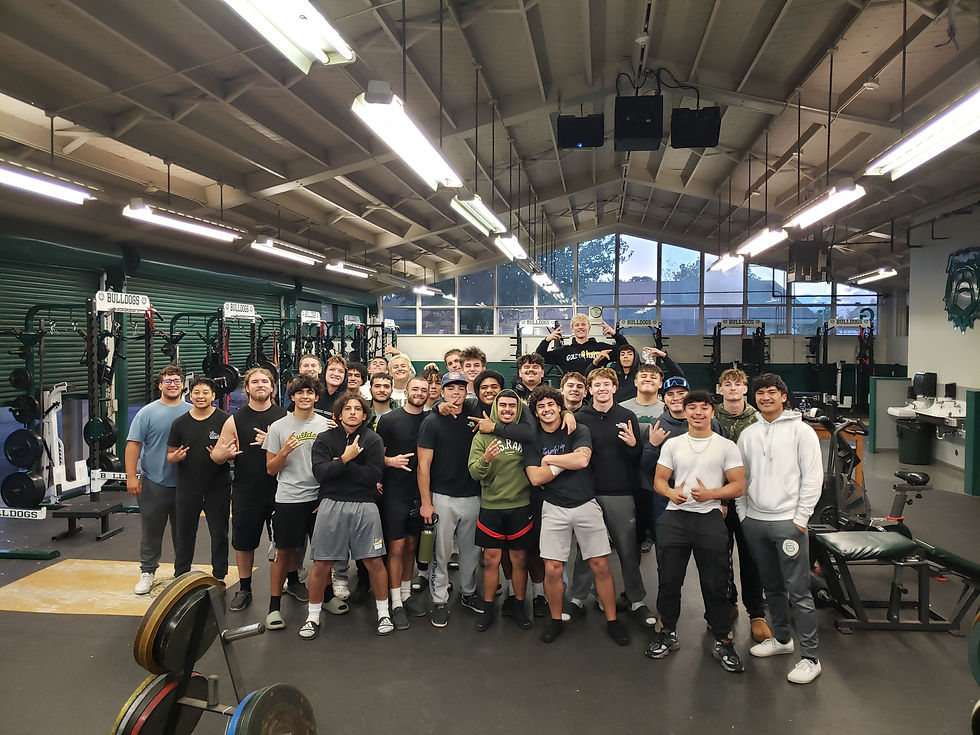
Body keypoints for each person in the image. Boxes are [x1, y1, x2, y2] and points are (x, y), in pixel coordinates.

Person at [647, 390, 746, 674]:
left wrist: (711, 494)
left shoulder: (726, 446)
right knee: (668, 580)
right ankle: (667, 632)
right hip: (675, 520)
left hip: (709, 520)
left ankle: (724, 640)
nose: (698, 413)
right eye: (693, 408)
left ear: (712, 413)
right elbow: (659, 480)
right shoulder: (673, 444)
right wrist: (670, 493)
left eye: (704, 408)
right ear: (686, 411)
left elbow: (738, 485)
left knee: (716, 583)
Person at [523, 385, 629, 647]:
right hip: (553, 507)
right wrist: (561, 462)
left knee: (601, 566)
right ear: (535, 413)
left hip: (585, 504)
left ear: (560, 407)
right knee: (553, 569)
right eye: (541, 407)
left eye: (551, 405)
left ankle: (612, 621)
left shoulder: (578, 429)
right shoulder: (533, 438)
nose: (547, 410)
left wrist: (549, 460)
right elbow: (535, 478)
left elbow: (583, 461)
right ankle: (556, 620)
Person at [737, 373, 824, 685]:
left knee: (799, 592)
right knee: (771, 586)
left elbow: (813, 478)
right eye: (760, 393)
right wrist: (743, 513)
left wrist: (801, 518)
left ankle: (810, 657)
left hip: (789, 521)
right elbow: (740, 478)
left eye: (772, 392)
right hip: (755, 521)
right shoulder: (748, 434)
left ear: (784, 397)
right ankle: (782, 640)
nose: (766, 398)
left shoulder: (802, 432)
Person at [567, 368, 655, 628]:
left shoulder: (626, 416)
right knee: (586, 550)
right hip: (589, 494)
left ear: (615, 388)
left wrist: (633, 446)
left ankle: (637, 600)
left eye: (607, 384)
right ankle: (577, 598)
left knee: (628, 550)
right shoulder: (579, 417)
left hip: (620, 493)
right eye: (597, 385)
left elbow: (637, 458)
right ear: (589, 390)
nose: (602, 388)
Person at [304, 392, 390, 638]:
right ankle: (312, 616)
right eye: (347, 408)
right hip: (331, 504)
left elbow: (372, 476)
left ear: (364, 415)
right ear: (338, 414)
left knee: (374, 561)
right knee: (322, 563)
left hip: (365, 506)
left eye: (357, 409)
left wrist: (342, 464)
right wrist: (345, 459)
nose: (352, 412)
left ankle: (383, 612)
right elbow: (321, 474)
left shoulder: (373, 440)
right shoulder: (324, 439)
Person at [262, 375, 338, 631]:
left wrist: (326, 495)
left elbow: (333, 466)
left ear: (317, 397)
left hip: (319, 498)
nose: (305, 396)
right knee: (284, 552)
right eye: (300, 392)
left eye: (310, 392)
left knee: (323, 553)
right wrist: (285, 451)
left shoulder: (328, 426)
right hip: (289, 499)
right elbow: (271, 470)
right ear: (292, 397)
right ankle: (274, 608)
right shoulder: (278, 427)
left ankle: (327, 597)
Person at [210, 367, 287, 611]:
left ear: (273, 387)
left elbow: (294, 453)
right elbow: (219, 456)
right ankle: (245, 588)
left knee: (286, 542)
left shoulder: (285, 417)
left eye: (265, 381)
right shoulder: (234, 420)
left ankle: (293, 581)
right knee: (244, 543)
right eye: (255, 381)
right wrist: (221, 454)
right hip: (247, 489)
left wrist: (273, 443)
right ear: (247, 388)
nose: (260, 385)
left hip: (281, 489)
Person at [417, 370, 483, 628]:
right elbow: (423, 466)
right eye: (450, 388)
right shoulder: (432, 421)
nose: (456, 392)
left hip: (473, 495)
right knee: (441, 553)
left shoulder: (474, 413)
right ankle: (440, 600)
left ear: (466, 391)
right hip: (442, 496)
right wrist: (426, 502)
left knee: (471, 552)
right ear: (442, 391)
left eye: (460, 388)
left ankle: (467, 593)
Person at [468, 390, 535, 632]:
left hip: (520, 506)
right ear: (496, 407)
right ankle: (488, 609)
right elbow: (474, 472)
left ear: (518, 410)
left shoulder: (525, 435)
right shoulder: (483, 436)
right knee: (490, 560)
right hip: (492, 506)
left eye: (512, 406)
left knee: (519, 560)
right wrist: (485, 459)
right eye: (503, 405)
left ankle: (519, 606)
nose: (507, 409)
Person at [714, 367, 770, 643]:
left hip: (751, 498)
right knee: (720, 555)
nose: (733, 388)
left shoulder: (758, 419)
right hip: (719, 498)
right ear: (720, 389)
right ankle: (728, 601)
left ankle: (756, 612)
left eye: (738, 384)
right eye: (728, 384)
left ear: (745, 389)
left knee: (751, 556)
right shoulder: (709, 417)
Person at [126, 366, 191, 594]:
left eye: (176, 380)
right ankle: (148, 571)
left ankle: (182, 574)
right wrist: (132, 476)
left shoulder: (194, 411)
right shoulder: (147, 413)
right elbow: (133, 444)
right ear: (160, 385)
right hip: (154, 482)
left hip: (185, 485)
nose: (172, 384)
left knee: (183, 533)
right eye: (167, 381)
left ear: (183, 384)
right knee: (151, 530)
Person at [375, 376, 430, 628]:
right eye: (415, 389)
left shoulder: (431, 420)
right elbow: (376, 456)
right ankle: (394, 601)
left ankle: (406, 595)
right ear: (405, 391)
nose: (419, 393)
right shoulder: (388, 420)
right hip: (395, 493)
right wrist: (390, 462)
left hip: (420, 495)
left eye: (424, 390)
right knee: (395, 547)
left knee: (411, 545)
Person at [167, 377, 231, 582]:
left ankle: (220, 575)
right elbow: (170, 454)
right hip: (187, 487)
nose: (200, 396)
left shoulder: (225, 420)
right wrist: (175, 457)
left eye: (205, 392)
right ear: (190, 394)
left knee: (219, 534)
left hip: (217, 487)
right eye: (196, 392)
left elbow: (233, 449)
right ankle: (181, 573)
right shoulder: (180, 423)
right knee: (184, 533)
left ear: (213, 396)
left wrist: (223, 455)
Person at [535, 314, 626, 377]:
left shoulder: (601, 348)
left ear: (589, 328)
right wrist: (547, 340)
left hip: (596, 391)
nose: (580, 327)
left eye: (583, 324)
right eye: (577, 325)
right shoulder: (563, 351)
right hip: (573, 392)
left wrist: (615, 334)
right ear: (572, 329)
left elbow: (625, 350)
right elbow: (539, 357)